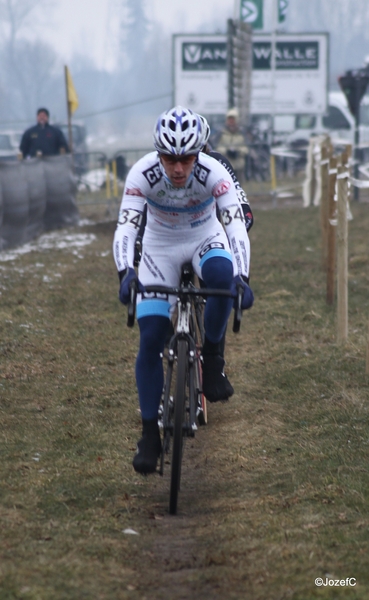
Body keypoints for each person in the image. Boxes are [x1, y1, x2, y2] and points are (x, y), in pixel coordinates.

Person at [113, 106, 254, 475]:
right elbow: (126, 227)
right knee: (151, 336)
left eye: (187, 158)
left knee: (222, 277)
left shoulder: (214, 171)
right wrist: (126, 272)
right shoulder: (142, 173)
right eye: (170, 158)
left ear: (199, 152)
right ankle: (149, 434)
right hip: (159, 245)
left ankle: (212, 358)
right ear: (158, 154)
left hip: (204, 235)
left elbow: (236, 224)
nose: (178, 168)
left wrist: (243, 277)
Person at [216, 108, 249, 185]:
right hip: (225, 165)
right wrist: (226, 151)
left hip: (239, 165)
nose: (231, 121)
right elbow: (217, 147)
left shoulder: (242, 133)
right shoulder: (221, 133)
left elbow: (246, 147)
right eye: (229, 119)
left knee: (239, 186)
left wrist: (238, 151)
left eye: (233, 119)